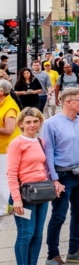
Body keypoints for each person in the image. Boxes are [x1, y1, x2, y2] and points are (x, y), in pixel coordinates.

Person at [42, 87, 79, 265]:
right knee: (59, 215)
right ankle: (52, 255)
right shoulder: (51, 124)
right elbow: (48, 154)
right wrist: (54, 179)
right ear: (68, 102)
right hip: (63, 176)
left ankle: (73, 251)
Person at [7, 107, 63, 265]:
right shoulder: (17, 143)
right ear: (21, 124)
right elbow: (11, 173)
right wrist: (16, 199)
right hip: (23, 196)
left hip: (41, 194)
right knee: (26, 233)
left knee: (38, 233)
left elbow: (44, 167)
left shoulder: (40, 141)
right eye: (28, 122)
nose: (32, 125)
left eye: (35, 121)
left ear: (40, 122)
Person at [0, 79, 21, 216]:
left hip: (6, 150)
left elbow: (8, 129)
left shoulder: (9, 107)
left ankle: (6, 208)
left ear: (1, 92)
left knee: (3, 179)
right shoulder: (2, 103)